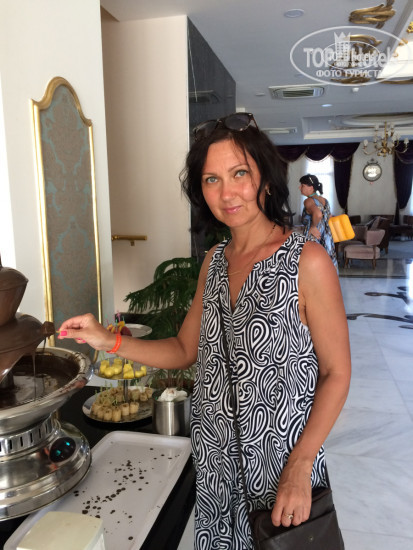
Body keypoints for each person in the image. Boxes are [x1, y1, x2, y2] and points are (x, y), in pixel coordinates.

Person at [58, 113, 351, 549]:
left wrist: (301, 464)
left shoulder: (306, 261)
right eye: (212, 179)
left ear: (265, 180)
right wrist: (108, 340)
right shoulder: (214, 262)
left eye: (239, 174)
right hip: (214, 462)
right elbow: (183, 349)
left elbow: (336, 373)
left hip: (281, 463)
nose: (226, 193)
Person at [299, 173, 338, 271]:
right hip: (327, 236)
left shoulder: (308, 201)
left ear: (311, 187)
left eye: (302, 185)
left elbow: (318, 214)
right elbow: (329, 216)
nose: (300, 187)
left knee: (312, 263)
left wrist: (313, 227)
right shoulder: (324, 200)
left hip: (314, 235)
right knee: (327, 262)